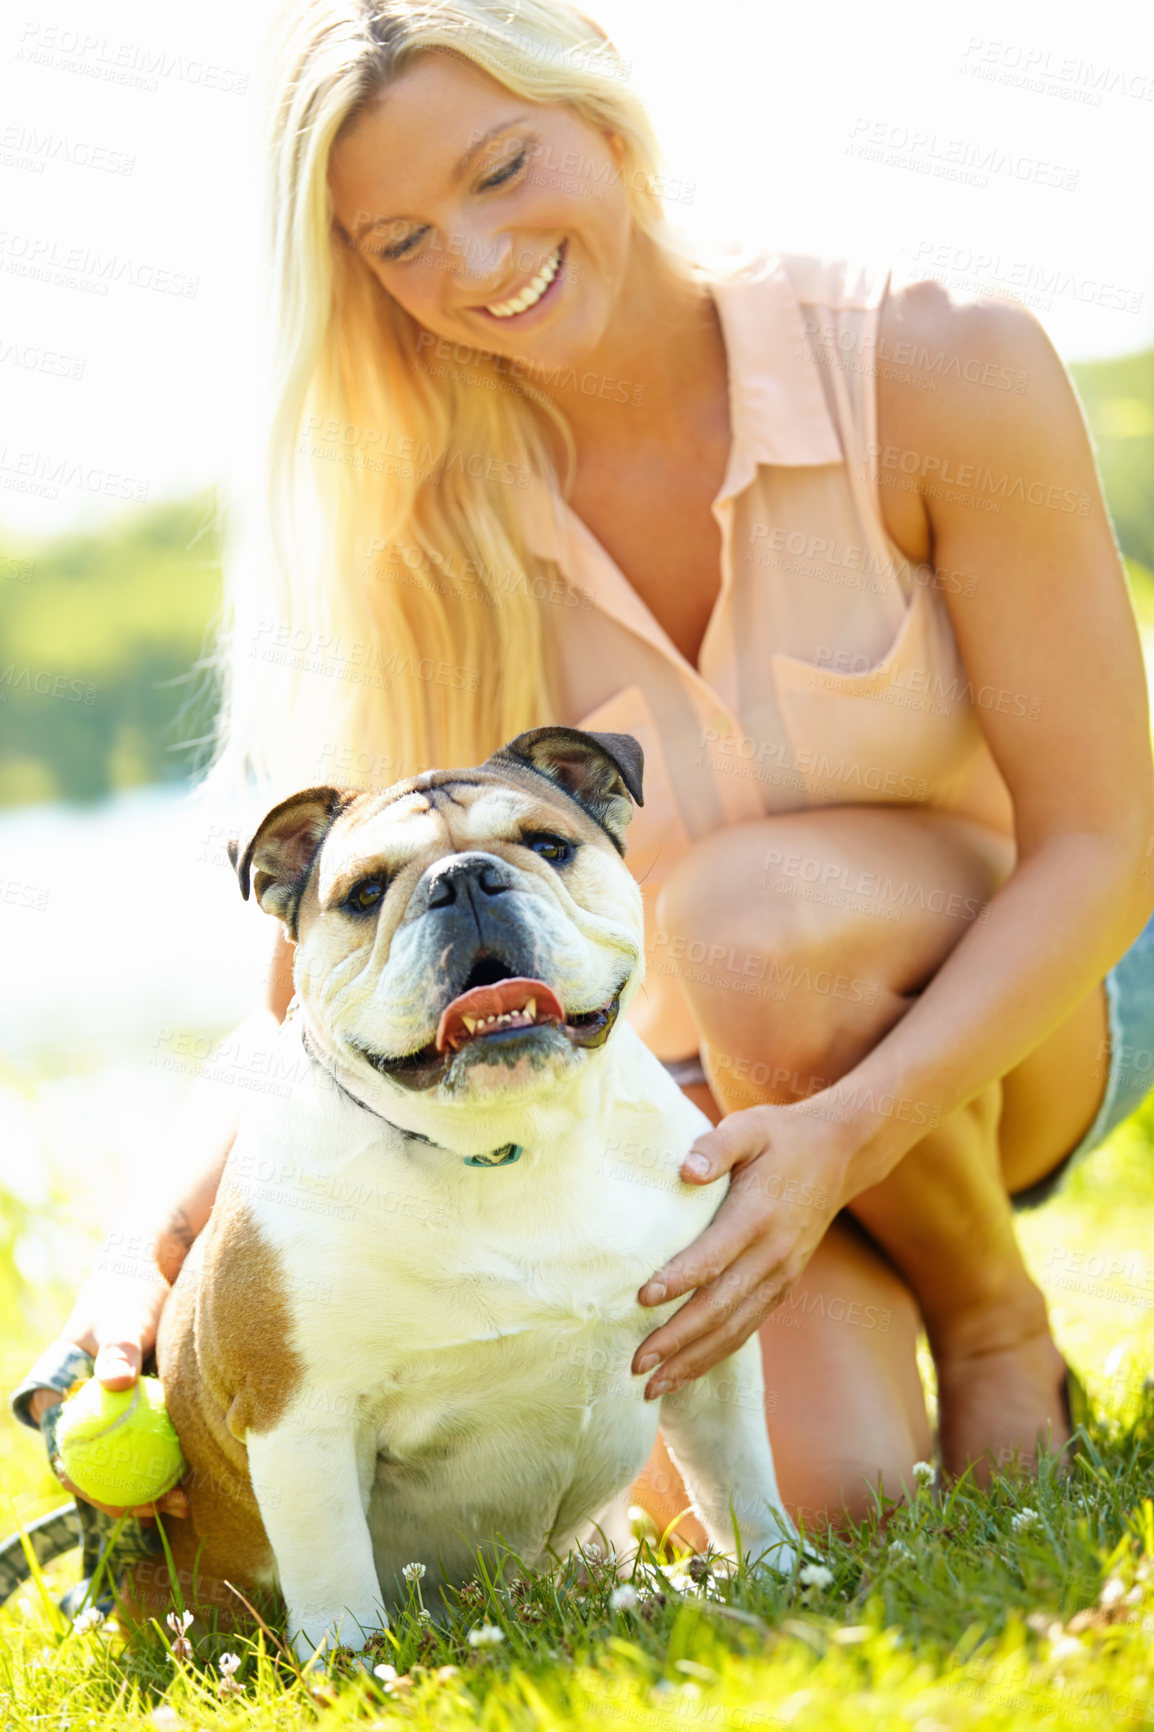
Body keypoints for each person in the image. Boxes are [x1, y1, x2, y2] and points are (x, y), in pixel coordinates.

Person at [13, 0, 1154, 1564]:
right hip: (700, 1106)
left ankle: (990, 1326)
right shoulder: (423, 535)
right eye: (402, 240)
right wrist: (144, 1257)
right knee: (819, 1498)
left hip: (1021, 1013)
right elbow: (310, 997)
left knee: (744, 920)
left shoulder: (934, 360)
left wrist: (846, 1131)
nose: (475, 266)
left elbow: (1107, 839)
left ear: (601, 104)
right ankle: (864, 1317)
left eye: (501, 170)